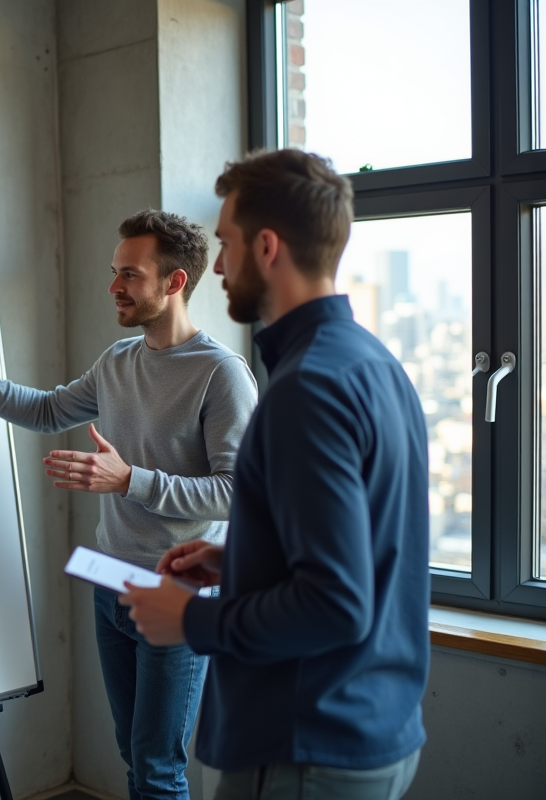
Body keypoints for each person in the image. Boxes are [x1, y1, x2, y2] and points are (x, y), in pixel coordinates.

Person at [121, 149, 428, 800]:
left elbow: (335, 603)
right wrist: (240, 562)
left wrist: (191, 621)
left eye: (227, 244)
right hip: (374, 728)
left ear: (267, 247)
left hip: (303, 748)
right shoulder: (373, 364)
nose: (221, 266)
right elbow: (358, 556)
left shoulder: (306, 388)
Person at [0, 210, 257, 800]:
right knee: (133, 754)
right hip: (111, 584)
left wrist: (130, 480)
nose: (113, 287)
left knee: (157, 768)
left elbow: (238, 494)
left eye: (129, 275)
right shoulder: (119, 359)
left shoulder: (221, 375)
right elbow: (48, 410)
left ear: (174, 283)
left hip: (179, 591)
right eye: (113, 272)